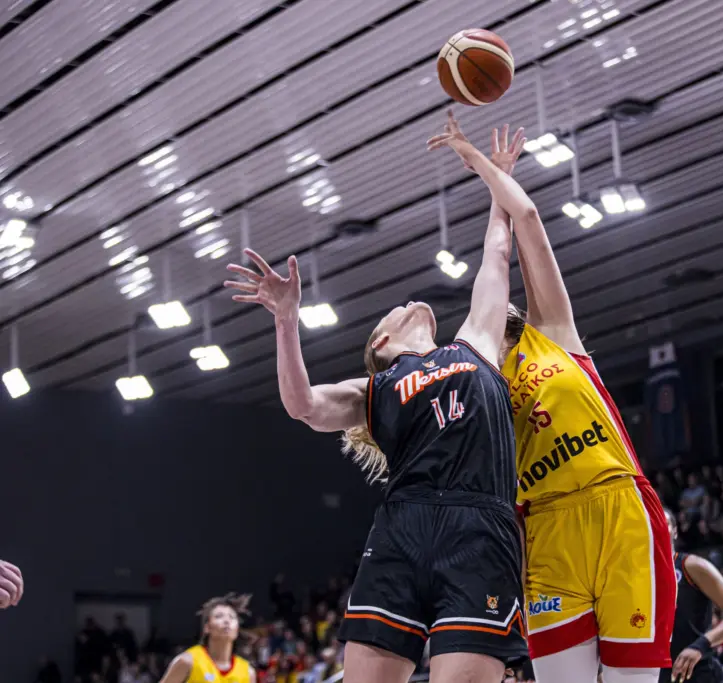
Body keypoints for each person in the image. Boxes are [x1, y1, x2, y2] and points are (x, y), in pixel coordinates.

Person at [224, 119, 527, 683]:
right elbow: (303, 405)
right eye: (393, 310)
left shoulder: (476, 344)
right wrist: (287, 321)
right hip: (402, 529)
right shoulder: (378, 389)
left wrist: (496, 177)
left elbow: (497, 253)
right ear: (381, 343)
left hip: (479, 525)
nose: (407, 301)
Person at [429, 111, 675, 683]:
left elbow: (527, 221)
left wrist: (484, 167)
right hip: (544, 531)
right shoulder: (473, 386)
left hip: (618, 509)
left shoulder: (554, 334)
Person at [659, 509, 723, 683]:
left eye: (663, 523)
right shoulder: (637, 577)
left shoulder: (690, 566)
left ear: (675, 531)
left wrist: (700, 646)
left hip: (700, 673)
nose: (657, 527)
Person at [157, 594, 256, 683]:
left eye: (232, 617)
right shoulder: (188, 661)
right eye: (219, 616)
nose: (227, 621)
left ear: (237, 629)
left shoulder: (248, 672)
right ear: (207, 627)